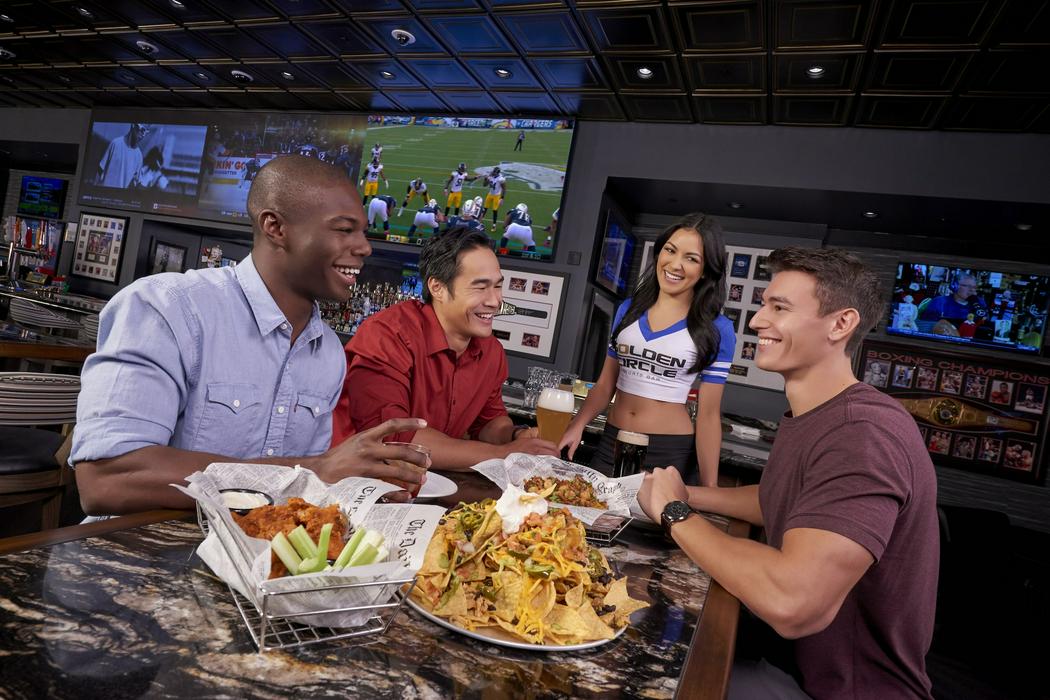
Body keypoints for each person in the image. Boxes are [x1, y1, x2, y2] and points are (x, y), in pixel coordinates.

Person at [638, 247, 939, 700]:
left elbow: (793, 602)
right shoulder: (821, 414)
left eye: (779, 308)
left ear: (841, 324)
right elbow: (783, 498)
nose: (758, 321)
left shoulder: (863, 433)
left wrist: (674, 512)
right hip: (790, 666)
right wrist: (691, 496)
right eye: (764, 305)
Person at [71, 155, 430, 515]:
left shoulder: (328, 353)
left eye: (363, 232)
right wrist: (314, 471)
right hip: (132, 545)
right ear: (275, 227)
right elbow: (107, 480)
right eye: (344, 229)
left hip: (261, 546)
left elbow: (302, 493)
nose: (365, 247)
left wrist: (356, 491)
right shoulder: (168, 307)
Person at [332, 226, 559, 470]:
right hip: (355, 482)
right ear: (437, 288)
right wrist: (505, 454)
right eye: (480, 287)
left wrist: (516, 436)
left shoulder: (492, 352)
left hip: (428, 483)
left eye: (497, 286)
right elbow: (393, 438)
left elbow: (488, 422)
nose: (495, 301)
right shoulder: (388, 334)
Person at [558, 213, 734, 487]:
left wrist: (710, 490)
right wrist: (577, 424)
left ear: (705, 270)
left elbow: (709, 415)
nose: (675, 264)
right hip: (612, 441)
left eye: (691, 258)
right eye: (670, 250)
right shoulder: (628, 309)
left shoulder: (717, 328)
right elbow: (605, 385)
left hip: (668, 451)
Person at [919, 272, 987, 332]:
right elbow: (924, 327)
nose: (972, 290)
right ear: (955, 286)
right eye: (967, 286)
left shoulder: (980, 303)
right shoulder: (940, 302)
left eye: (974, 287)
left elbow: (986, 326)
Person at [96, 123, 148, 189]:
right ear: (133, 125)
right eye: (142, 129)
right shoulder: (115, 144)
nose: (143, 135)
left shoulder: (139, 157)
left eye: (146, 131)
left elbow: (138, 183)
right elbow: (100, 169)